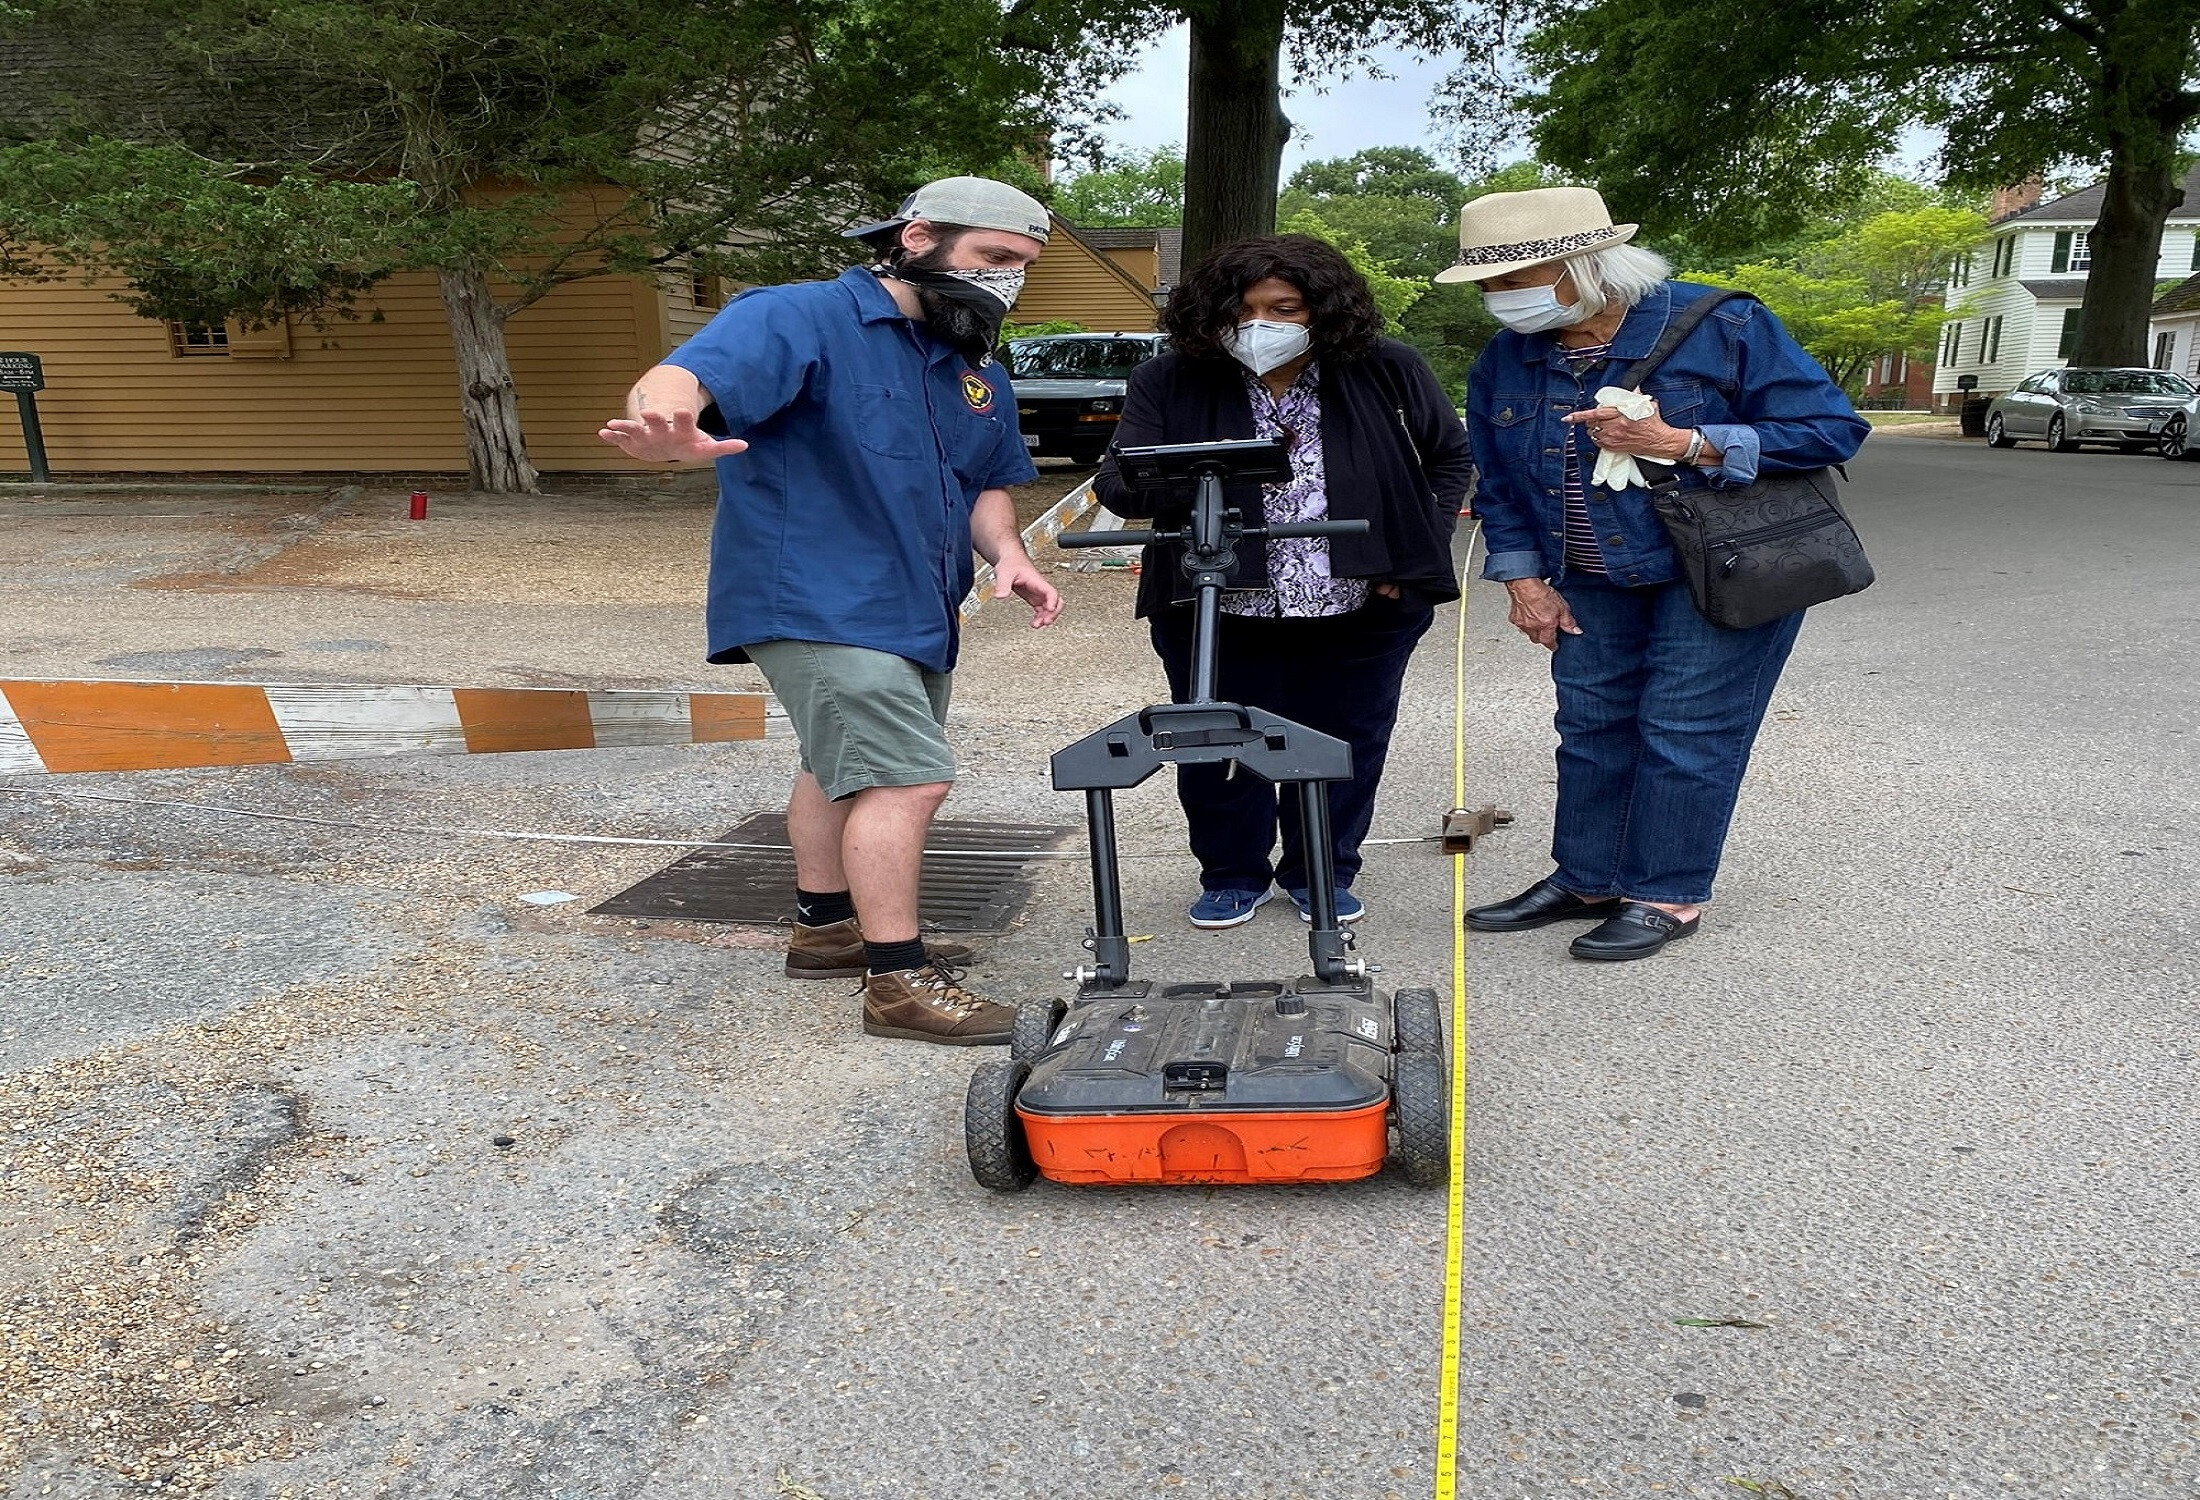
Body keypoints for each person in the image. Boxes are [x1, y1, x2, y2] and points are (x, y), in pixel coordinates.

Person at [599, 177, 1063, 1043]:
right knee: (906, 776)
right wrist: (667, 419)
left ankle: (826, 931)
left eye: (1023, 269)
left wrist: (1009, 555)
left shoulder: (975, 369)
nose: (1007, 282)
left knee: (835, 762)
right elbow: (681, 376)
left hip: (916, 607)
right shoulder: (801, 316)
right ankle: (899, 982)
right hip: (813, 596)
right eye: (995, 258)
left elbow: (987, 485)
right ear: (918, 238)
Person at [1449, 186, 1869, 960]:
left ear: (1586, 265)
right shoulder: (1505, 359)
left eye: (1513, 281)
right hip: (1589, 574)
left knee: (1685, 731)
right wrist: (1523, 580)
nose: (1496, 301)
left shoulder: (1724, 323)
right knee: (1590, 729)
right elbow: (1501, 486)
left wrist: (1683, 442)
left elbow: (1831, 430)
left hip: (1718, 567)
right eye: (1487, 286)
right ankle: (1589, 878)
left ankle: (1667, 894)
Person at [1096, 234, 1474, 929]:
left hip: (1359, 599)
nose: (1260, 325)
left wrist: (1409, 548)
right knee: (1213, 738)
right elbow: (1119, 484)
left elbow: (1448, 457)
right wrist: (1202, 475)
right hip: (1216, 600)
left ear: (1322, 310)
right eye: (1242, 310)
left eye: (1284, 307)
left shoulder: (1386, 369)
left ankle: (1321, 872)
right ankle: (1232, 873)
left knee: (1347, 739)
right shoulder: (1171, 379)